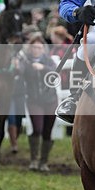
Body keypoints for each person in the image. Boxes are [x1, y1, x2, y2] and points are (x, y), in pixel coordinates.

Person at [18, 32, 58, 172]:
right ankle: (34, 159)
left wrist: (43, 68)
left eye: (39, 48)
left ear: (43, 49)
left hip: (50, 100)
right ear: (31, 48)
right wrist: (17, 65)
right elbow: (19, 71)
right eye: (34, 47)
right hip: (34, 100)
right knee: (38, 128)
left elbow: (55, 72)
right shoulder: (25, 61)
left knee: (47, 131)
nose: (37, 50)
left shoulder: (48, 60)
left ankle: (43, 161)